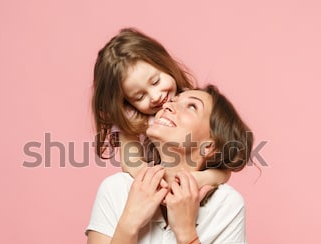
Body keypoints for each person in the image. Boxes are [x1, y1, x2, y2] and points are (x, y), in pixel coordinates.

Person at [84, 85, 254, 244]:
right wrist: (129, 222)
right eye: (174, 101)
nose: (168, 105)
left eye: (191, 106)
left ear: (208, 146)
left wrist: (185, 231)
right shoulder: (115, 189)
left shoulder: (226, 204)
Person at [92, 27, 230, 189]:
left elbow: (223, 171)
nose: (156, 96)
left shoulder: (189, 102)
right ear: (127, 103)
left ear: (164, 64)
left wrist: (200, 178)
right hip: (155, 188)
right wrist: (158, 181)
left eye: (156, 81)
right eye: (140, 96)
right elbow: (131, 162)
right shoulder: (131, 119)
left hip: (190, 186)